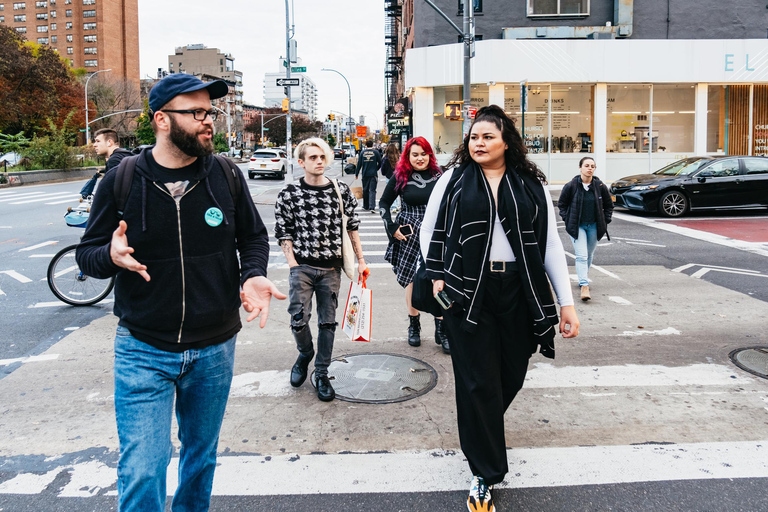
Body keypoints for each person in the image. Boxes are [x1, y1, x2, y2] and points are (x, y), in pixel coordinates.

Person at [75, 73, 285, 511]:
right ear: (162, 120)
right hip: (143, 348)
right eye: (195, 113)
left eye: (209, 111)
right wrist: (109, 257)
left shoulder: (225, 174)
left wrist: (252, 274)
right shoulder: (122, 179)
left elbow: (252, 237)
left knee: (200, 460)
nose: (208, 121)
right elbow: (87, 255)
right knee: (143, 469)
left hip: (214, 347)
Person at [421, 105, 579, 512]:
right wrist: (438, 274)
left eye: (487, 136)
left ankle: (481, 426)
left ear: (506, 140)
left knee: (511, 374)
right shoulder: (452, 182)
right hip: (467, 290)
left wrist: (566, 303)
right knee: (479, 382)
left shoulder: (531, 186)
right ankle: (484, 472)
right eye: (474, 137)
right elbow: (429, 231)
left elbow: (549, 247)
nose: (479, 143)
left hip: (520, 290)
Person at [274, 137, 368, 402]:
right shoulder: (290, 193)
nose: (319, 161)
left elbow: (352, 227)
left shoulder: (340, 190)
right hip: (302, 267)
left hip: (331, 269)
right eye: (312, 158)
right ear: (301, 162)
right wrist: (292, 263)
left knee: (327, 323)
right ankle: (305, 354)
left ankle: (322, 373)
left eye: (322, 157)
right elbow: (284, 231)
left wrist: (361, 260)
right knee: (298, 319)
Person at [378, 136, 449, 353]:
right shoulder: (400, 176)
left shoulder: (440, 175)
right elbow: (383, 203)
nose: (420, 158)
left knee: (438, 279)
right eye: (415, 154)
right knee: (410, 281)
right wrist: (392, 228)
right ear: (407, 156)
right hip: (408, 237)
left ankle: (441, 327)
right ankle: (414, 325)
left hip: (436, 235)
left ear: (430, 154)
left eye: (424, 154)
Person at [557, 156, 613, 301]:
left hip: (594, 225)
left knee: (589, 254)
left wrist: (605, 220)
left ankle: (583, 276)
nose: (590, 168)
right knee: (581, 255)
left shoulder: (600, 186)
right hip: (577, 225)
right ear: (580, 168)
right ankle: (584, 284)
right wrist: (567, 218)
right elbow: (562, 204)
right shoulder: (571, 186)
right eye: (587, 165)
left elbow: (608, 205)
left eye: (592, 166)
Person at [355, 139, 382, 212]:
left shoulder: (362, 153)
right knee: (372, 190)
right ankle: (372, 207)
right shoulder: (376, 152)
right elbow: (380, 162)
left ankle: (365, 205)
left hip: (365, 174)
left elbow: (359, 164)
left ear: (366, 145)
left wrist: (356, 173)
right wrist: (376, 168)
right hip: (373, 174)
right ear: (372, 145)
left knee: (365, 190)